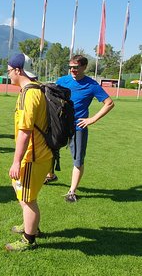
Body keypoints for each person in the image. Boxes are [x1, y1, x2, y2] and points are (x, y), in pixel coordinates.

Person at [5, 54, 53, 252]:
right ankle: (30, 226)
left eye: (8, 71)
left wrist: (16, 162)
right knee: (24, 194)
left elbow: (25, 132)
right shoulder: (36, 88)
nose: (8, 75)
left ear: (18, 70)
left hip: (33, 156)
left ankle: (29, 239)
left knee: (28, 199)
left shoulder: (28, 94)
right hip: (39, 154)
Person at [53, 54, 114, 202]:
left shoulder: (92, 85)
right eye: (71, 67)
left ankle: (72, 192)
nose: (72, 70)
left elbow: (109, 103)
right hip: (60, 124)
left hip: (78, 127)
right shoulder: (62, 81)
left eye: (76, 67)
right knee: (50, 149)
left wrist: (92, 119)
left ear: (84, 67)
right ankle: (50, 175)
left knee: (78, 159)